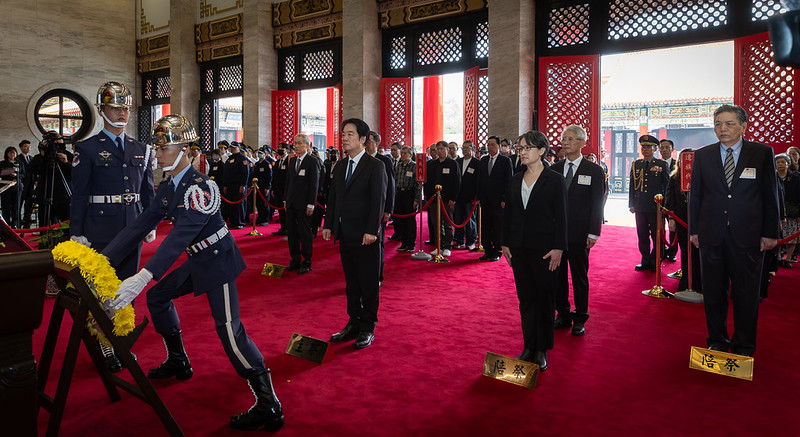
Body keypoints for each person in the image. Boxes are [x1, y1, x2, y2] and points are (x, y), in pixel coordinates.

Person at [102, 114, 284, 431]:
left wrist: (143, 276)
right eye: (156, 148)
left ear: (185, 149)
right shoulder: (170, 186)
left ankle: (269, 404)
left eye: (163, 147)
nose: (156, 154)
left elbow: (177, 239)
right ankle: (178, 360)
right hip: (199, 259)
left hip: (218, 259)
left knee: (228, 328)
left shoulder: (201, 187)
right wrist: (99, 260)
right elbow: (138, 227)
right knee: (159, 297)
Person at [70, 81, 156, 372]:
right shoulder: (87, 148)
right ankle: (107, 347)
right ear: (101, 110)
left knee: (126, 288)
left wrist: (149, 221)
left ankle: (121, 342)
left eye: (126, 108)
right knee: (102, 290)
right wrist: (76, 232)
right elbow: (79, 194)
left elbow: (147, 191)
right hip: (99, 226)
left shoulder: (140, 148)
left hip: (131, 224)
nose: (121, 113)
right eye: (115, 108)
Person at [689, 104, 780, 356]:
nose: (723, 129)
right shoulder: (703, 155)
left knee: (746, 293)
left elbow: (770, 196)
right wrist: (694, 230)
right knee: (714, 292)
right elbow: (696, 195)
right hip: (711, 235)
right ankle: (717, 340)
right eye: (718, 124)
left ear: (743, 126)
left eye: (729, 123)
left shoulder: (761, 153)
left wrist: (770, 232)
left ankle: (744, 345)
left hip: (749, 235)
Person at [501, 131, 567, 371]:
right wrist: (505, 242)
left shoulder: (555, 179)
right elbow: (509, 214)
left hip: (546, 249)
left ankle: (542, 349)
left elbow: (562, 217)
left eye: (528, 148)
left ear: (541, 151)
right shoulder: (515, 178)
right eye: (520, 149)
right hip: (519, 248)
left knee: (545, 299)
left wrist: (559, 247)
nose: (523, 152)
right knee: (526, 299)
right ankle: (528, 345)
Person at [322, 118, 387, 350]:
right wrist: (329, 224)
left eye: (350, 134)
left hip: (365, 235)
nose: (345, 138)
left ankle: (368, 326)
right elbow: (334, 198)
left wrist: (372, 230)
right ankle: (354, 322)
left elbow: (378, 201)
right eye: (343, 134)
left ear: (362, 139)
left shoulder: (375, 165)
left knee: (368, 283)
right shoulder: (340, 165)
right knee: (351, 283)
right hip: (345, 233)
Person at [550, 125, 605, 336]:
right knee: (558, 275)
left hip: (581, 234)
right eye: (563, 138)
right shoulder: (554, 169)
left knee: (579, 276)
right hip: (557, 234)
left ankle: (581, 316)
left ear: (582, 142)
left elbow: (597, 204)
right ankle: (562, 313)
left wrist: (594, 232)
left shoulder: (594, 170)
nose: (565, 142)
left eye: (570, 139)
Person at [629, 135, 670, 271]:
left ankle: (656, 260)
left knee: (657, 235)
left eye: (648, 147)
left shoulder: (661, 164)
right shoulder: (637, 164)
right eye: (643, 147)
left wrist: (666, 205)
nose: (645, 149)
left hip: (656, 207)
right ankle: (645, 259)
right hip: (640, 206)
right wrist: (632, 203)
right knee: (642, 235)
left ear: (655, 149)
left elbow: (667, 186)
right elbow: (632, 185)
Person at [665, 148, 702, 293]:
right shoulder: (674, 178)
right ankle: (687, 279)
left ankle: (699, 280)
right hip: (681, 220)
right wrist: (671, 218)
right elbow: (669, 199)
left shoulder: (703, 177)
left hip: (700, 221)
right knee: (686, 251)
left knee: (699, 252)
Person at [284, 134, 320, 274]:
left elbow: (314, 184)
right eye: (295, 143)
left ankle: (307, 261)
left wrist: (311, 203)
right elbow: (289, 181)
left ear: (307, 145)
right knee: (292, 232)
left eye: (299, 143)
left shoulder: (312, 161)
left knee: (305, 233)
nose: (296, 146)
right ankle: (295, 259)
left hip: (305, 204)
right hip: (292, 203)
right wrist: (286, 199)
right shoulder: (292, 161)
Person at [366, 131, 395, 282]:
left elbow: (390, 186)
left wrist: (388, 209)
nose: (365, 144)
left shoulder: (384, 160)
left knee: (377, 244)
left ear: (376, 143)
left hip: (379, 210)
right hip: (363, 210)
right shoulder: (360, 159)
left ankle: (377, 277)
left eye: (368, 141)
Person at [478, 136, 513, 262]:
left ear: (499, 146)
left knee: (497, 227)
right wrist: (479, 197)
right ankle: (487, 250)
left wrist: (505, 199)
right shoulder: (483, 160)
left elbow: (509, 182)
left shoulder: (505, 161)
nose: (490, 147)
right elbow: (480, 180)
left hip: (499, 201)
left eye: (493, 145)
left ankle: (497, 251)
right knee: (485, 226)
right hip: (485, 200)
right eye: (488, 145)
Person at [424, 140, 460, 256]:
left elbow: (457, 182)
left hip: (447, 199)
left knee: (447, 223)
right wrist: (428, 197)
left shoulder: (453, 164)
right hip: (434, 199)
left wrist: (453, 198)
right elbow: (427, 183)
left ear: (447, 150)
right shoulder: (431, 164)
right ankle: (439, 245)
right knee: (436, 223)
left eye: (441, 149)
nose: (439, 151)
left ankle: (448, 246)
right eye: (437, 149)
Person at [31, 132, 73, 227]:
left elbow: (73, 175)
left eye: (59, 140)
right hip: (45, 194)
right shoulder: (41, 157)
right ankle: (44, 241)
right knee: (45, 226)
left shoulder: (68, 155)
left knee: (67, 226)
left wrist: (66, 163)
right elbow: (32, 170)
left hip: (63, 196)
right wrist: (43, 155)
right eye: (55, 141)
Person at [454, 140, 479, 250]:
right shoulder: (458, 162)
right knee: (458, 219)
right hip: (459, 196)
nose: (464, 150)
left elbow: (479, 181)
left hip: (471, 198)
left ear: (472, 149)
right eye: (463, 148)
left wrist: (477, 197)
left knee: (470, 220)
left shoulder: (477, 163)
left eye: (466, 148)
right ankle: (459, 241)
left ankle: (471, 241)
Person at [393, 146, 419, 252]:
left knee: (410, 220)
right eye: (402, 153)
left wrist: (416, 199)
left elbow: (418, 185)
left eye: (405, 153)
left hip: (410, 193)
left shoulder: (414, 166)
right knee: (401, 219)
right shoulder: (398, 166)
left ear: (410, 155)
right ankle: (403, 243)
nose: (402, 155)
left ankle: (411, 244)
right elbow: (395, 181)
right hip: (399, 193)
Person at [776, 153, 800, 267]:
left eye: (783, 162)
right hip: (777, 211)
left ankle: (789, 258)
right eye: (778, 162)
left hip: (792, 211)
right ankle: (779, 256)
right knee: (778, 235)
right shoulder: (772, 178)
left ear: (788, 164)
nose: (781, 164)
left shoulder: (796, 178)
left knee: (792, 235)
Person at [222, 142, 250, 229]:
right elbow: (226, 173)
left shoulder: (242, 158)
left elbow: (245, 173)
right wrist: (225, 185)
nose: (232, 149)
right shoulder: (229, 159)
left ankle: (240, 222)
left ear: (238, 148)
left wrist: (243, 184)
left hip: (239, 185)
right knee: (231, 205)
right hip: (230, 185)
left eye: (234, 148)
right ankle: (233, 221)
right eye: (231, 148)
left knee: (239, 205)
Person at [659, 139, 678, 262]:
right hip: (659, 204)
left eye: (667, 147)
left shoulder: (678, 165)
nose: (664, 150)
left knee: (673, 228)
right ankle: (660, 252)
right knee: (659, 229)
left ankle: (672, 253)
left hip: (673, 205)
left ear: (672, 150)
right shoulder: (656, 165)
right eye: (662, 148)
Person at [271, 143, 289, 235]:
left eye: (281, 148)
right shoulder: (277, 162)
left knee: (286, 210)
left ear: (286, 150)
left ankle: (288, 228)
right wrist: (273, 189)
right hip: (278, 190)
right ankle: (282, 227)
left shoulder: (290, 161)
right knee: (280, 210)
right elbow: (274, 177)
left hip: (286, 190)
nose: (279, 149)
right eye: (278, 148)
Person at [0, 147, 20, 227]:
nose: (12, 154)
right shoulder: (2, 163)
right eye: (10, 153)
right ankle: (6, 224)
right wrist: (6, 173)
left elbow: (23, 174)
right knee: (6, 206)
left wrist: (16, 175)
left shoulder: (19, 162)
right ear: (7, 154)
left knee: (16, 207)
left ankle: (15, 225)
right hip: (5, 187)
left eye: (14, 153)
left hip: (16, 187)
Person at [17, 140, 35, 228]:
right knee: (20, 202)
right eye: (25, 146)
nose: (27, 148)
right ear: (21, 147)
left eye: (28, 147)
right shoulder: (17, 158)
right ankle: (18, 218)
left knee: (29, 201)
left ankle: (27, 217)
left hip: (31, 183)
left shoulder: (32, 158)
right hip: (22, 183)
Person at [253, 149, 273, 226]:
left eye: (261, 153)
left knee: (264, 203)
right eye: (259, 153)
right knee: (258, 203)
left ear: (265, 154)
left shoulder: (267, 164)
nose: (259, 155)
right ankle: (260, 218)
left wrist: (267, 187)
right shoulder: (257, 164)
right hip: (257, 186)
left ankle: (265, 219)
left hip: (264, 186)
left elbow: (269, 176)